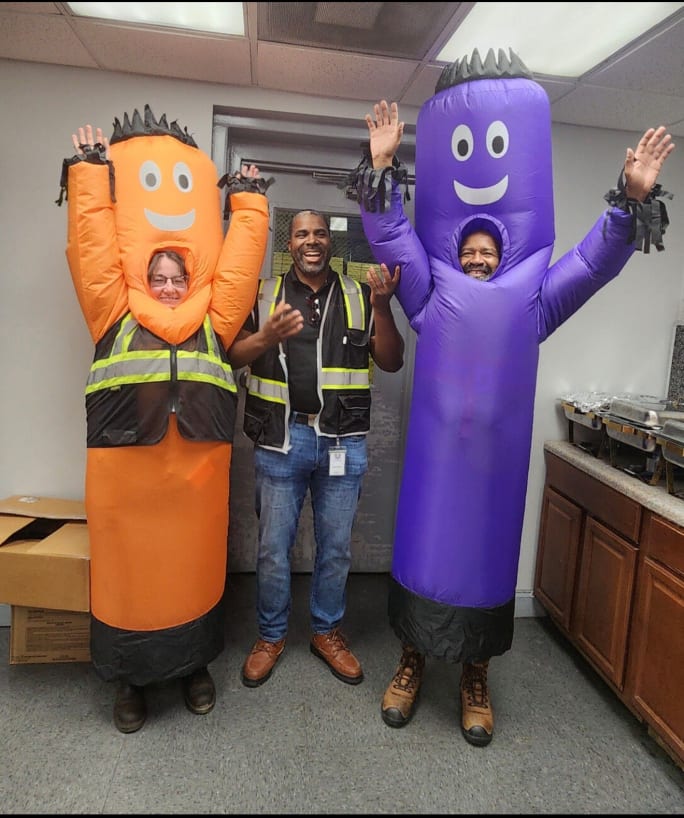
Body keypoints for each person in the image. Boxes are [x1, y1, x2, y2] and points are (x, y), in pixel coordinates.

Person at [345, 48, 674, 746]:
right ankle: (410, 662)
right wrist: (382, 169)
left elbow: (592, 263)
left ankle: (475, 675)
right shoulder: (429, 293)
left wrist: (631, 200)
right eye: (468, 252)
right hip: (434, 469)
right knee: (425, 554)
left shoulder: (535, 300)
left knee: (483, 565)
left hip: (495, 475)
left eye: (486, 253)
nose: (476, 258)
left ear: (503, 252)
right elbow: (395, 236)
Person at [58, 107, 270, 733]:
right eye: (160, 276)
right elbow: (95, 252)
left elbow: (239, 269)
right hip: (126, 480)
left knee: (192, 571)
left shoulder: (214, 320)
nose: (171, 285)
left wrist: (250, 202)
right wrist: (89, 177)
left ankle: (193, 666)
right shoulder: (113, 314)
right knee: (128, 576)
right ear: (144, 276)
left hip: (196, 478)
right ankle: (129, 681)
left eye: (179, 276)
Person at [227, 209, 404, 688]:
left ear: (330, 241)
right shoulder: (262, 293)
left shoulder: (360, 295)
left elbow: (391, 361)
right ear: (290, 242)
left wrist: (383, 307)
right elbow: (231, 354)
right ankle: (270, 636)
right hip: (279, 441)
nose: (312, 240)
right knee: (272, 550)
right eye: (302, 233)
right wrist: (264, 337)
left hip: (342, 441)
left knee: (336, 549)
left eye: (320, 233)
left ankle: (326, 632)